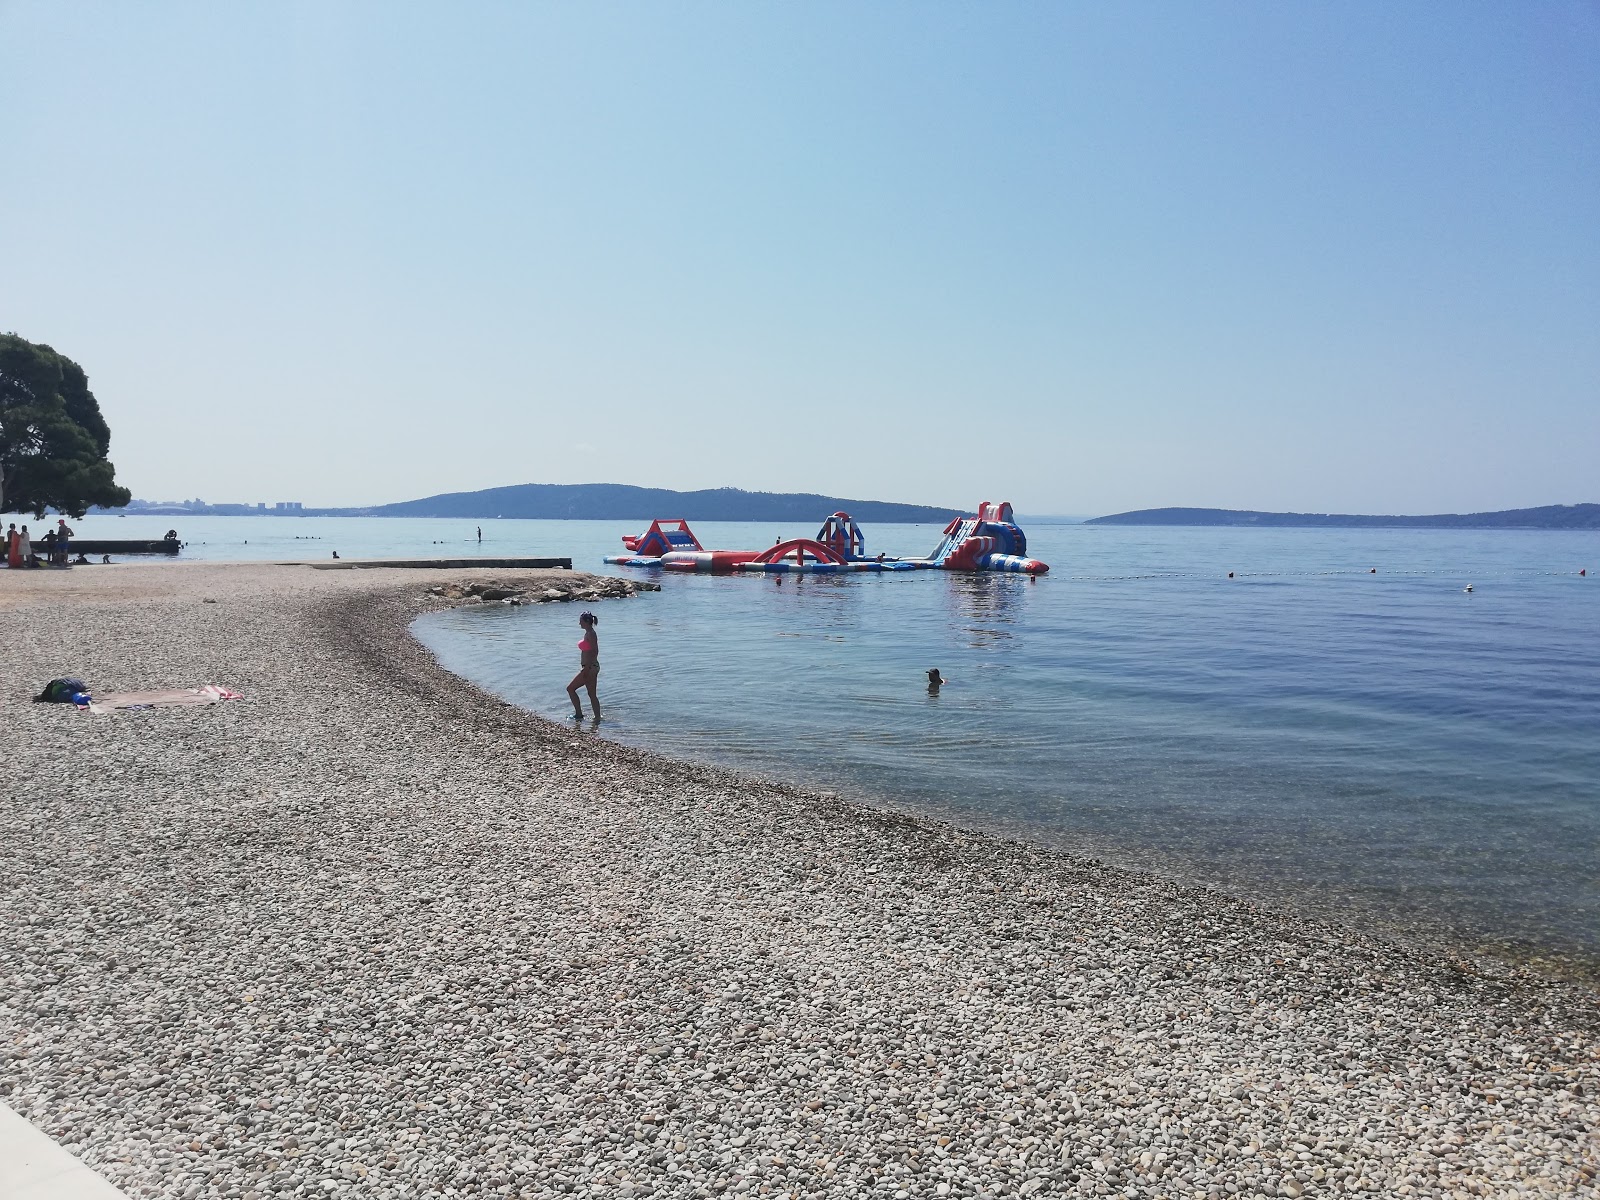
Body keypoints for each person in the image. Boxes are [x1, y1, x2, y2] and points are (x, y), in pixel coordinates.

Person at [566, 611, 601, 719]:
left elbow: (594, 651)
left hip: (590, 667)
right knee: (592, 695)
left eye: (580, 621)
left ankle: (579, 714)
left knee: (570, 689)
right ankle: (597, 719)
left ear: (586, 621)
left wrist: (586, 668)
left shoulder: (591, 634)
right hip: (592, 667)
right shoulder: (589, 632)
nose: (579, 623)